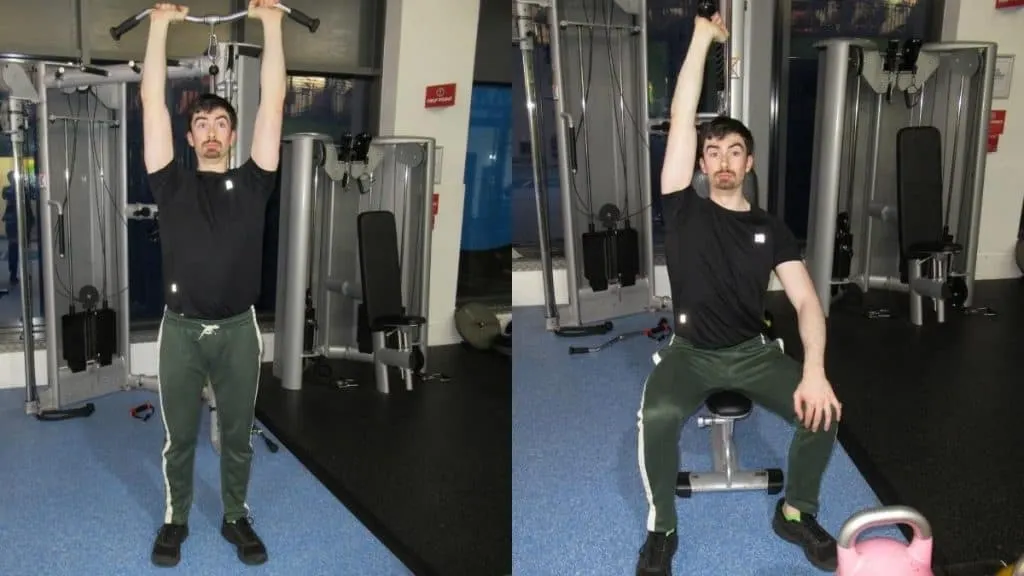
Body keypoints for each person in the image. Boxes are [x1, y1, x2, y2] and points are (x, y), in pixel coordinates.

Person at [634, 12, 843, 575]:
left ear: (749, 164)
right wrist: (703, 38)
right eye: (713, 151)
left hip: (752, 352)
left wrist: (815, 370)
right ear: (701, 164)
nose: (723, 161)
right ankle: (662, 531)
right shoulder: (682, 209)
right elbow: (681, 117)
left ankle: (795, 514)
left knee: (821, 413)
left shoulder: (771, 228)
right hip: (689, 352)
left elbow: (805, 301)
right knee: (656, 416)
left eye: (734, 152)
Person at [140, 0, 286, 568]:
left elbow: (273, 101)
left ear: (232, 136)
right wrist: (158, 29)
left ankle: (234, 517)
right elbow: (152, 100)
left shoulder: (253, 185)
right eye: (200, 123)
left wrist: (270, 25)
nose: (210, 131)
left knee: (237, 436)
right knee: (178, 438)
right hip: (179, 332)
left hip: (237, 332)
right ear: (189, 135)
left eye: (220, 123)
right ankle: (175, 520)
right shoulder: (170, 185)